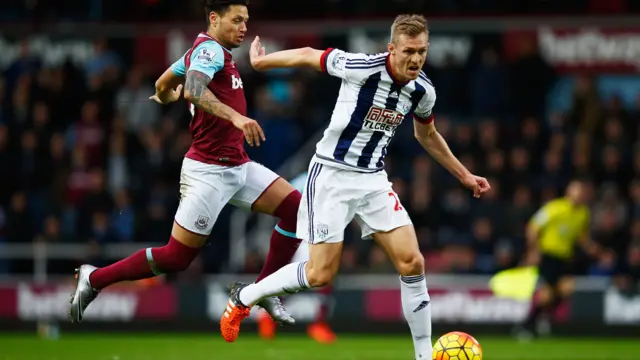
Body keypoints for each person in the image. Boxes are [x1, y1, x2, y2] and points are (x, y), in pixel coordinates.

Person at [219, 14, 491, 360]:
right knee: (320, 274)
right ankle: (245, 297)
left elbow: (427, 135)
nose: (416, 58)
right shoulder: (362, 67)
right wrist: (261, 62)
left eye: (422, 51)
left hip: (373, 179)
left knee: (412, 261)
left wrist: (464, 175)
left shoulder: (423, 90)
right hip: (331, 175)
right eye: (409, 51)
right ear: (391, 49)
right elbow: (307, 55)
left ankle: (424, 357)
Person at [68, 0, 303, 326]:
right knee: (175, 257)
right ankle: (94, 279)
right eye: (237, 20)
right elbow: (192, 90)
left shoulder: (203, 50)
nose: (244, 28)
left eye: (246, 21)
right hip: (209, 172)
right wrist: (236, 117)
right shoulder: (210, 52)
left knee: (295, 209)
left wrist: (167, 96)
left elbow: (163, 84)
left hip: (237, 165)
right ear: (214, 18)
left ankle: (263, 291)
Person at [514, 179, 601, 339]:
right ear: (568, 192)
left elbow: (581, 235)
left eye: (582, 192)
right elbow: (533, 227)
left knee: (565, 289)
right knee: (547, 294)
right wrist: (534, 251)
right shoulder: (554, 208)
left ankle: (542, 320)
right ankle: (527, 325)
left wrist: (591, 247)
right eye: (576, 191)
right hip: (548, 256)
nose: (579, 195)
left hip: (565, 257)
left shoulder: (583, 213)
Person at [257, 172, 337, 344]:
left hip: (322, 235)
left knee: (322, 278)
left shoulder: (339, 179)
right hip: (301, 236)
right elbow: (283, 202)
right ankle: (269, 316)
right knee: (296, 280)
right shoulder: (305, 179)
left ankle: (318, 324)